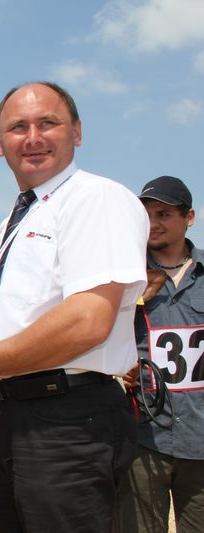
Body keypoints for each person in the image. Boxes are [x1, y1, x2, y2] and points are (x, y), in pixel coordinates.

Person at [0, 81, 149, 532]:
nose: (33, 137)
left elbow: (88, 320)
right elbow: (10, 326)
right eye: (17, 127)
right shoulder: (19, 218)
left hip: (67, 420)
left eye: (49, 123)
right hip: (11, 414)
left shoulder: (95, 198)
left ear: (77, 132)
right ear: (0, 145)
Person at [116, 176, 203, 533]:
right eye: (146, 214)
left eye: (164, 213)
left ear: (190, 218)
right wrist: (117, 367)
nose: (153, 223)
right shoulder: (124, 277)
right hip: (142, 439)